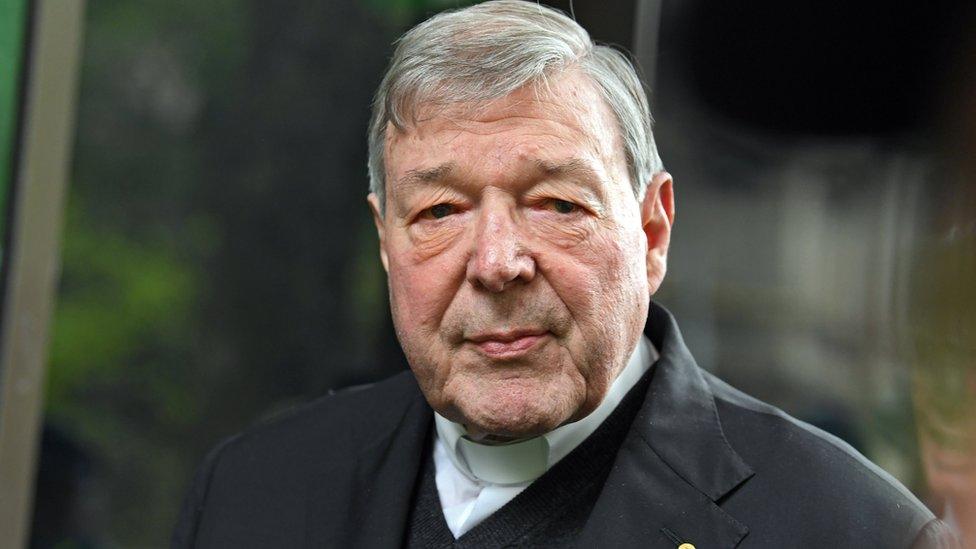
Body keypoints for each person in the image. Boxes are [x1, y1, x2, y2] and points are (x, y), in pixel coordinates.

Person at [173, 1, 955, 547]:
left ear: (652, 231)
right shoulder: (253, 490)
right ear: (386, 242)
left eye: (554, 202)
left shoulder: (852, 530)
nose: (498, 263)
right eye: (440, 212)